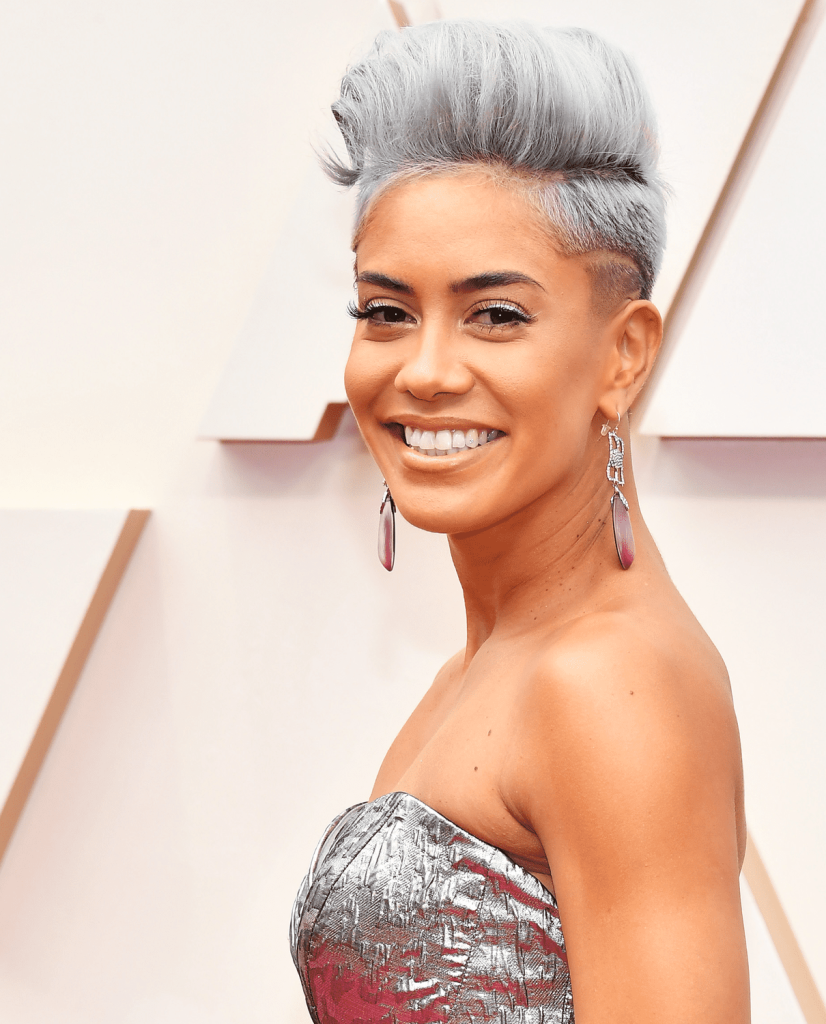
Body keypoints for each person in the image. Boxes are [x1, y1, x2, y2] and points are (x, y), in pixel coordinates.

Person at [290, 19, 748, 1024]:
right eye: (385, 311)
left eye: (495, 315)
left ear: (624, 355)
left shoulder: (608, 685)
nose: (424, 371)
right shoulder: (489, 665)